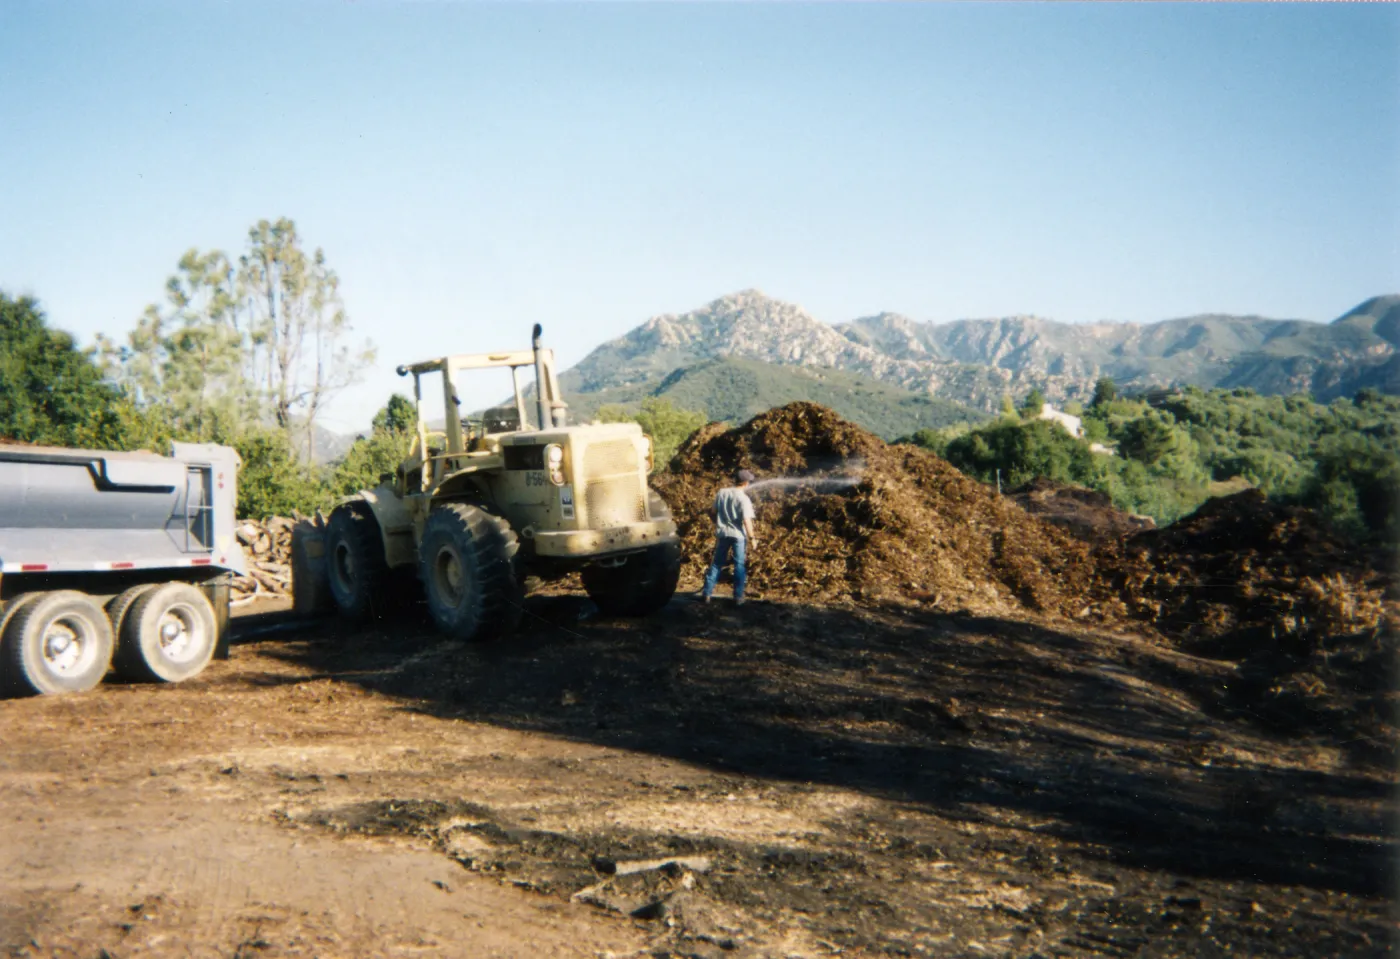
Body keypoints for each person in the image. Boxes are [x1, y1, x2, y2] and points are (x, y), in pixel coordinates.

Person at [701, 469, 758, 605]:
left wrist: (720, 522)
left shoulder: (722, 493)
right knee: (739, 565)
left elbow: (713, 511)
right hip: (738, 536)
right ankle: (738, 597)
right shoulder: (744, 499)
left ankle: (707, 594)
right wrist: (753, 538)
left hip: (723, 533)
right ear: (745, 483)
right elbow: (747, 521)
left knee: (716, 563)